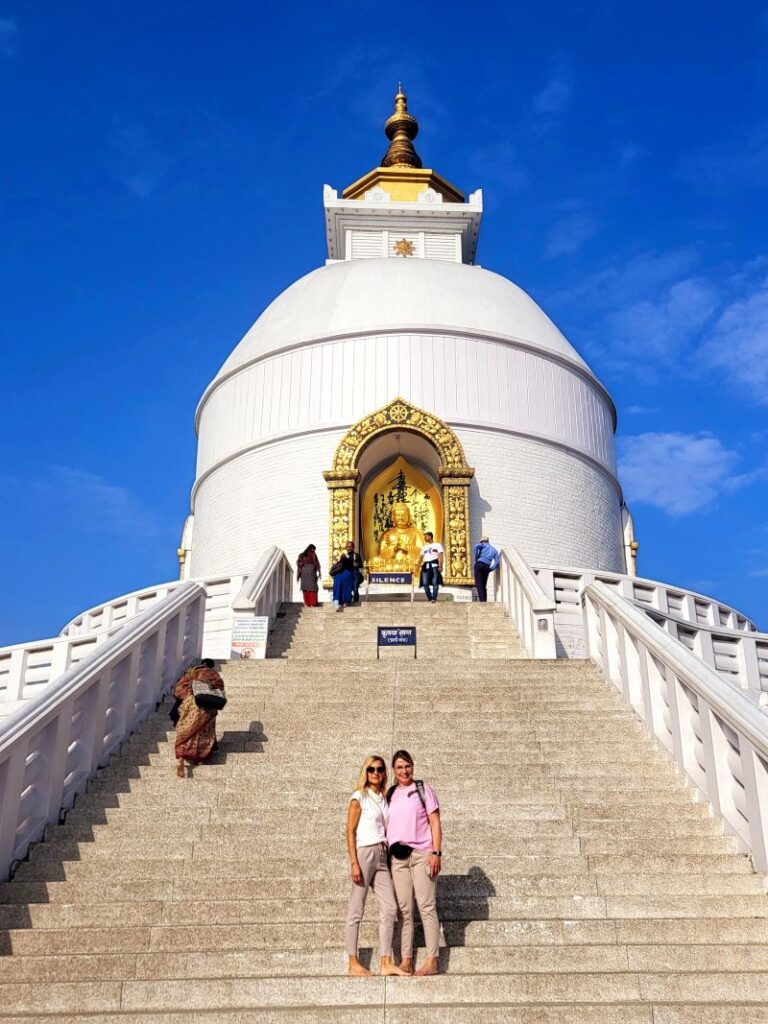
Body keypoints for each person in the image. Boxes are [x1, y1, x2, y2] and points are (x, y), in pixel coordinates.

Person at [345, 756, 410, 977]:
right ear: (366, 772)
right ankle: (353, 962)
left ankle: (385, 962)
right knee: (357, 908)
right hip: (364, 853)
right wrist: (354, 862)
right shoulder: (359, 797)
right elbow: (350, 831)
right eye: (371, 769)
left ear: (384, 773)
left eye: (380, 769)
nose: (375, 773)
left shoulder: (383, 797)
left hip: (382, 855)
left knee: (390, 907)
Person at [386, 750, 442, 976]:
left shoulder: (422, 789)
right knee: (405, 910)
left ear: (413, 766)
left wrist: (436, 852)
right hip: (398, 859)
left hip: (421, 854)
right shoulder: (390, 793)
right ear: (393, 770)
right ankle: (406, 959)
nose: (404, 771)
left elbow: (435, 822)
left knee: (426, 906)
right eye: (399, 767)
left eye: (407, 766)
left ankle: (432, 961)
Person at [171, 659, 225, 778]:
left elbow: (178, 690)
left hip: (190, 703)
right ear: (211, 666)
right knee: (204, 731)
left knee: (186, 728)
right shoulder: (212, 674)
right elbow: (220, 689)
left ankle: (181, 757)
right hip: (206, 706)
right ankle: (200, 758)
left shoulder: (191, 672)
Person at [377, 502, 424, 571]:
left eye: (404, 515)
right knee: (375, 561)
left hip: (409, 564)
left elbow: (422, 551)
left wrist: (407, 547)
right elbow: (381, 554)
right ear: (393, 517)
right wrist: (393, 548)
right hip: (392, 564)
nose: (401, 518)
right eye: (398, 515)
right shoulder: (388, 534)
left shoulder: (415, 532)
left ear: (408, 517)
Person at [473, 534, 500, 602]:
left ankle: (482, 601)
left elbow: (475, 547)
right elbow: (497, 562)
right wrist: (491, 569)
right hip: (487, 567)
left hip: (479, 564)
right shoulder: (494, 550)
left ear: (482, 541)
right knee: (484, 585)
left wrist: (476, 557)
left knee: (478, 584)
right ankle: (484, 600)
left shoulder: (482, 545)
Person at [419, 531, 444, 603]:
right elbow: (421, 557)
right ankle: (429, 597)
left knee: (435, 582)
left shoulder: (437, 545)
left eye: (426, 536)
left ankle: (434, 598)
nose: (425, 538)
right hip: (426, 565)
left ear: (430, 537)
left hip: (434, 565)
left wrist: (440, 565)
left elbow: (440, 556)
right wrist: (420, 564)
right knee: (425, 583)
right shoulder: (424, 547)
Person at [331, 547, 355, 611]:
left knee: (337, 589)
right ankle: (345, 602)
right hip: (347, 575)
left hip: (338, 576)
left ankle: (336, 603)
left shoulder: (339, 562)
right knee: (346, 589)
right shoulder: (349, 560)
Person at [345, 540, 365, 604]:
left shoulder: (357, 555)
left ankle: (356, 602)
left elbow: (361, 565)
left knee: (355, 588)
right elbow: (341, 565)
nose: (349, 548)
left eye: (350, 546)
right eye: (348, 547)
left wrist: (357, 564)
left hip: (355, 573)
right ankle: (348, 600)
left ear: (353, 547)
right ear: (346, 548)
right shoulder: (344, 556)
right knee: (347, 588)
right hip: (347, 574)